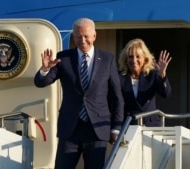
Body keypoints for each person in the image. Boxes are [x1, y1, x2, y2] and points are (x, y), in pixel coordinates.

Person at [34, 18, 124, 169]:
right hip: (70, 129)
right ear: (73, 37)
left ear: (94, 36)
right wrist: (45, 69)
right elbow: (41, 82)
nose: (82, 40)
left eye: (86, 36)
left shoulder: (108, 59)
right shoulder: (63, 58)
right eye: (78, 36)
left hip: (97, 129)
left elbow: (117, 97)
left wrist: (116, 127)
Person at [118, 38, 172, 126]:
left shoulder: (152, 75)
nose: (134, 60)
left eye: (138, 56)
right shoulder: (119, 77)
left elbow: (166, 94)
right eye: (130, 57)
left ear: (145, 59)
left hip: (150, 126)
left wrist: (162, 75)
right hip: (128, 126)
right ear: (126, 59)